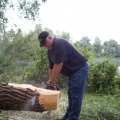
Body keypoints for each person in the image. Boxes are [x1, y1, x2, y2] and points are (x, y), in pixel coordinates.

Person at [38, 31, 90, 120]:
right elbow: (51, 67)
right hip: (71, 73)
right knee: (70, 94)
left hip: (79, 69)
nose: (45, 46)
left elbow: (59, 65)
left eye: (45, 43)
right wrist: (50, 82)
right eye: (43, 44)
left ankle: (73, 118)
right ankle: (67, 116)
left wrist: (53, 81)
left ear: (50, 38)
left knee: (76, 95)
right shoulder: (50, 51)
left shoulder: (59, 44)